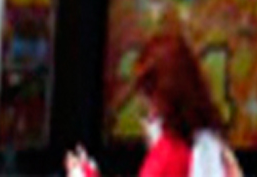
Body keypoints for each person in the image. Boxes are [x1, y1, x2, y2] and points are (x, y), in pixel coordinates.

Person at [66, 25, 239, 177]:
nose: (145, 107)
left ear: (162, 96)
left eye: (147, 94)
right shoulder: (212, 144)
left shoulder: (168, 155)